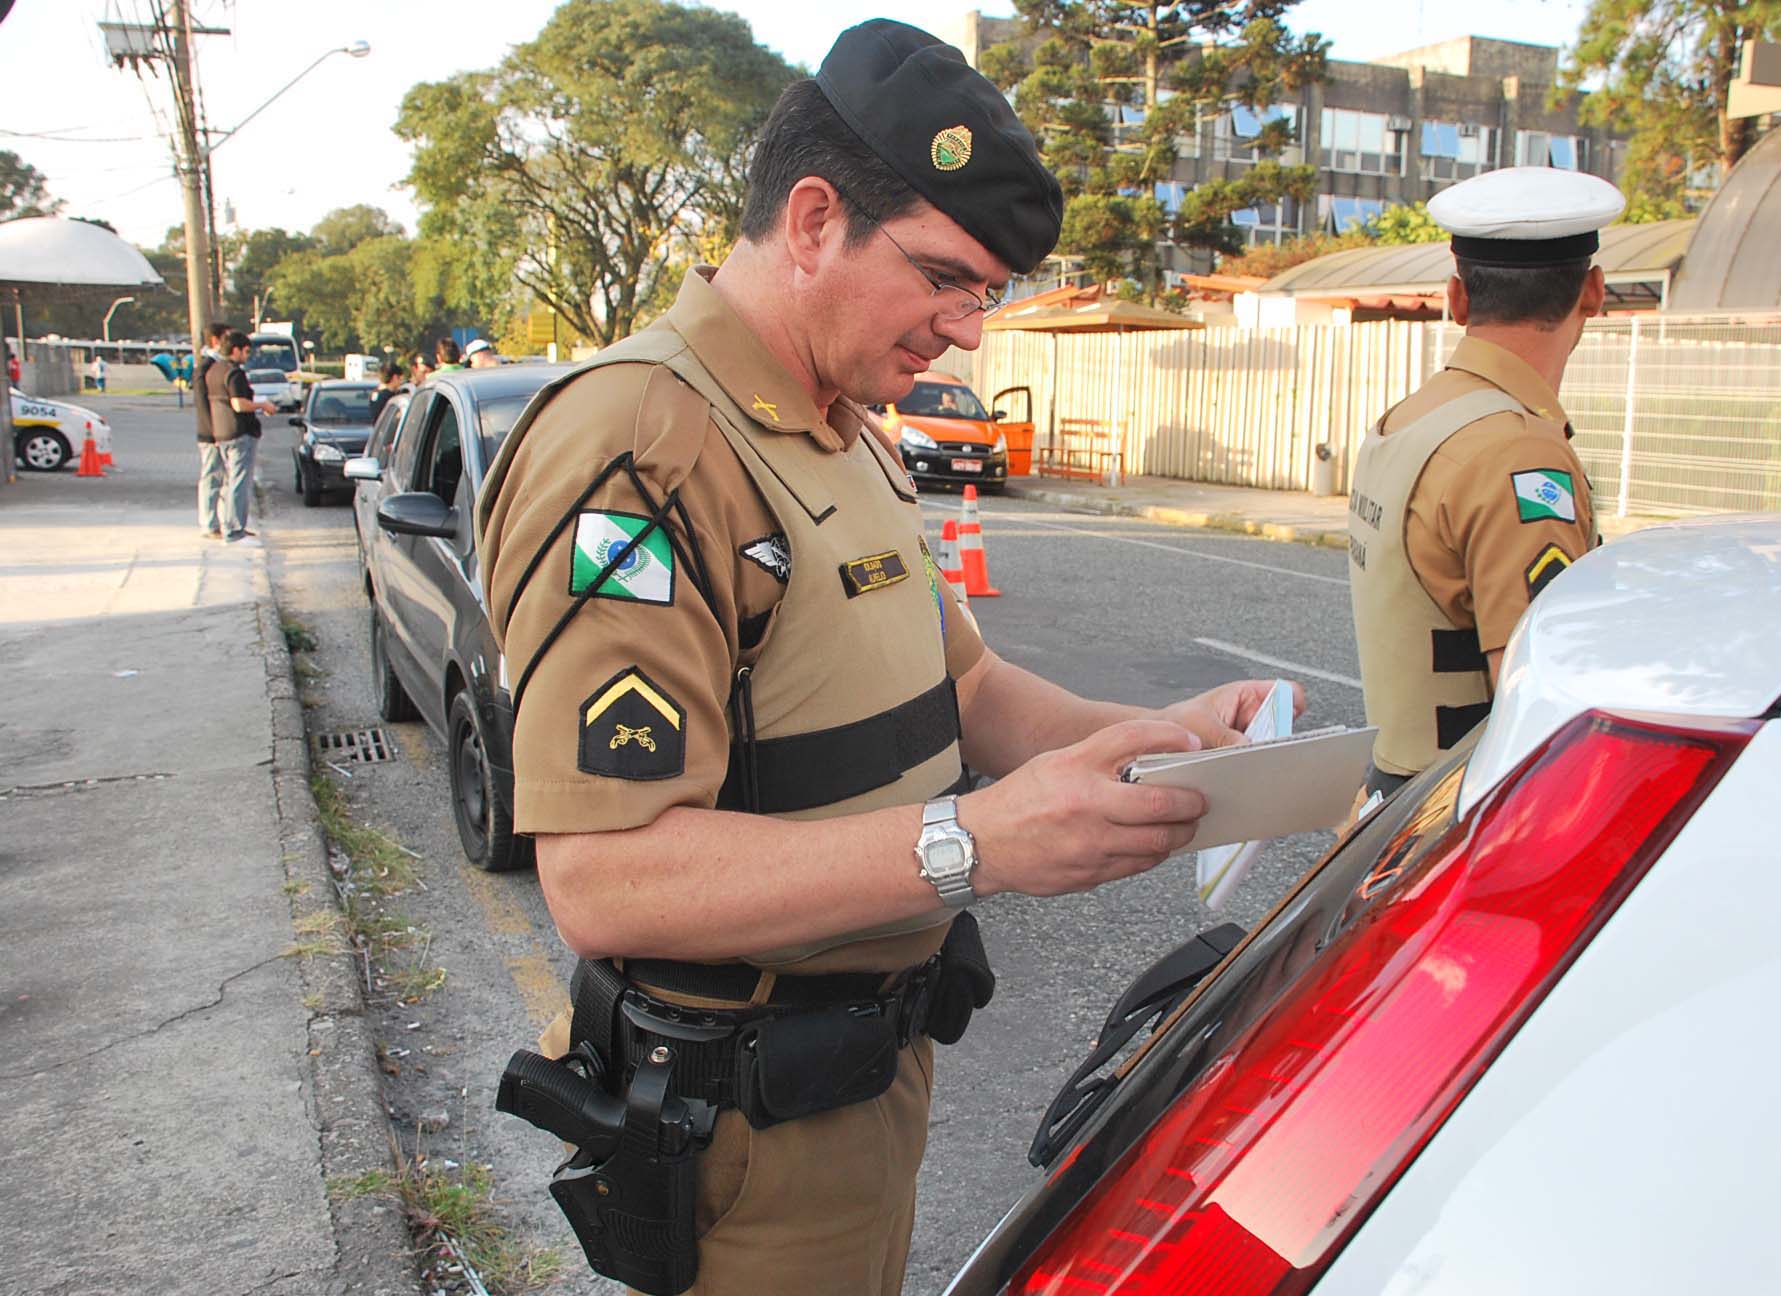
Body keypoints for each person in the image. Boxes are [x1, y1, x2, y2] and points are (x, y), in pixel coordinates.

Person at [476, 20, 1290, 1296]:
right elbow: (606, 877)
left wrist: (1171, 738)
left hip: (867, 1081)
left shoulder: (849, 430)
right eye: (946, 280)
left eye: (986, 294)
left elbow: (967, 688)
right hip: (745, 1128)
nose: (967, 334)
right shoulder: (641, 444)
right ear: (814, 222)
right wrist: (978, 844)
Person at [1346, 166, 1619, 804]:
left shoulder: (1413, 418)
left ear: (1458, 299)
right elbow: (1536, 693)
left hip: (1394, 798)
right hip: (1465, 806)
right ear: (1593, 291)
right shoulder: (1518, 451)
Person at [208, 329, 275, 545]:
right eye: (246, 351)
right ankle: (235, 529)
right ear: (235, 350)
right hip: (239, 432)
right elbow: (238, 403)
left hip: (221, 431)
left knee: (230, 481)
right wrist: (262, 405)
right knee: (239, 482)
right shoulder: (234, 373)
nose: (247, 356)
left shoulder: (214, 370)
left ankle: (230, 524)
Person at [192, 320, 232, 539]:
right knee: (212, 476)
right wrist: (213, 431)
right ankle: (209, 524)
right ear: (216, 340)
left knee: (224, 478)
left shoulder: (221, 364)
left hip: (223, 431)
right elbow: (202, 403)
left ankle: (225, 522)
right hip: (211, 433)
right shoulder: (206, 366)